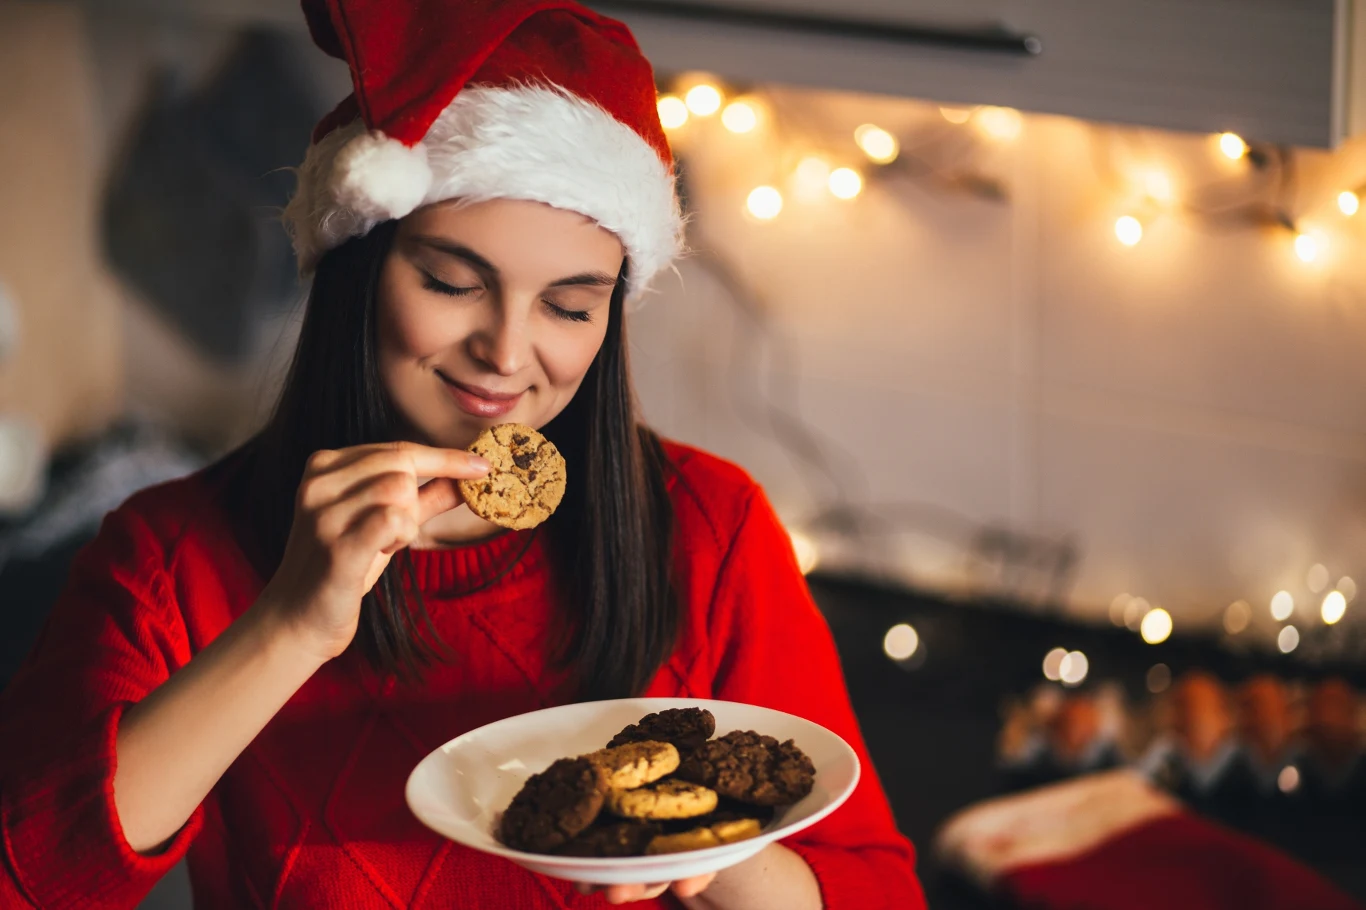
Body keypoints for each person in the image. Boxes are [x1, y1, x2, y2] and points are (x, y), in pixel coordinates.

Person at [0, 1, 925, 908]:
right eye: (451, 281)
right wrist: (288, 625)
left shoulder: (711, 530)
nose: (509, 353)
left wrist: (706, 841)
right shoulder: (172, 555)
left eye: (570, 305)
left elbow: (878, 890)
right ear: (361, 266)